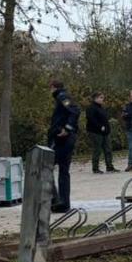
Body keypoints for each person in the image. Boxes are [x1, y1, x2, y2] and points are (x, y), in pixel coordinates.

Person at [48, 79, 80, 213]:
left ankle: (58, 200)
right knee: (62, 170)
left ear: (53, 87)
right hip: (64, 139)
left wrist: (67, 128)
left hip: (62, 139)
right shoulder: (61, 97)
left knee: (46, 168)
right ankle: (61, 202)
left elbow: (74, 111)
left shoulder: (62, 96)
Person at [86, 92, 117, 173]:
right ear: (95, 98)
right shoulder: (91, 108)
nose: (102, 99)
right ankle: (95, 168)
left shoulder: (101, 108)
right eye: (101, 97)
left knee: (108, 149)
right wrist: (100, 126)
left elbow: (105, 119)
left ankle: (109, 166)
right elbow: (91, 119)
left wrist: (107, 128)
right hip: (95, 132)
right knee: (97, 150)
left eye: (102, 97)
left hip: (105, 132)